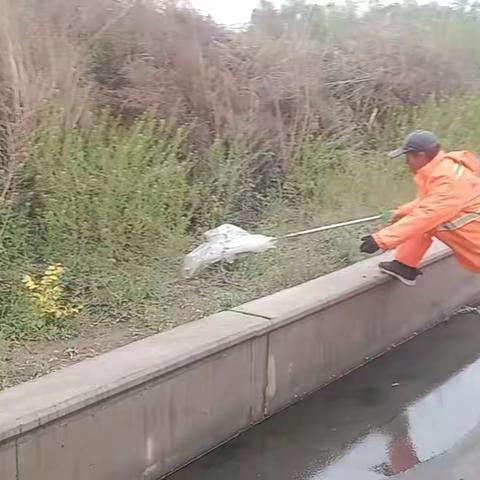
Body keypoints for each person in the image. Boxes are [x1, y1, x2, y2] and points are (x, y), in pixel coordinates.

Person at [360, 130, 480, 286]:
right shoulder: (442, 170)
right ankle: (404, 265)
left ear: (420, 155)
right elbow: (428, 204)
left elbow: (428, 214)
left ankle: (404, 266)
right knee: (424, 222)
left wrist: (382, 239)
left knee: (425, 221)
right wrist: (400, 212)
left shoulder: (448, 179)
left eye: (407, 157)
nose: (406, 162)